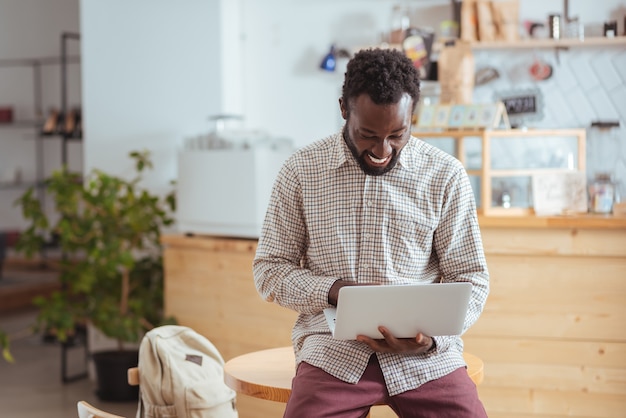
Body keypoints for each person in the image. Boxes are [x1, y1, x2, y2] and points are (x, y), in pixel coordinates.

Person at [253, 48, 489, 418]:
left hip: (425, 359)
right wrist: (335, 291)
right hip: (333, 352)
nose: (383, 150)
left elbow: (471, 277)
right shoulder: (300, 171)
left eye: (398, 134)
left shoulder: (445, 175)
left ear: (414, 116)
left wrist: (432, 341)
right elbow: (270, 269)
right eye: (368, 135)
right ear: (344, 109)